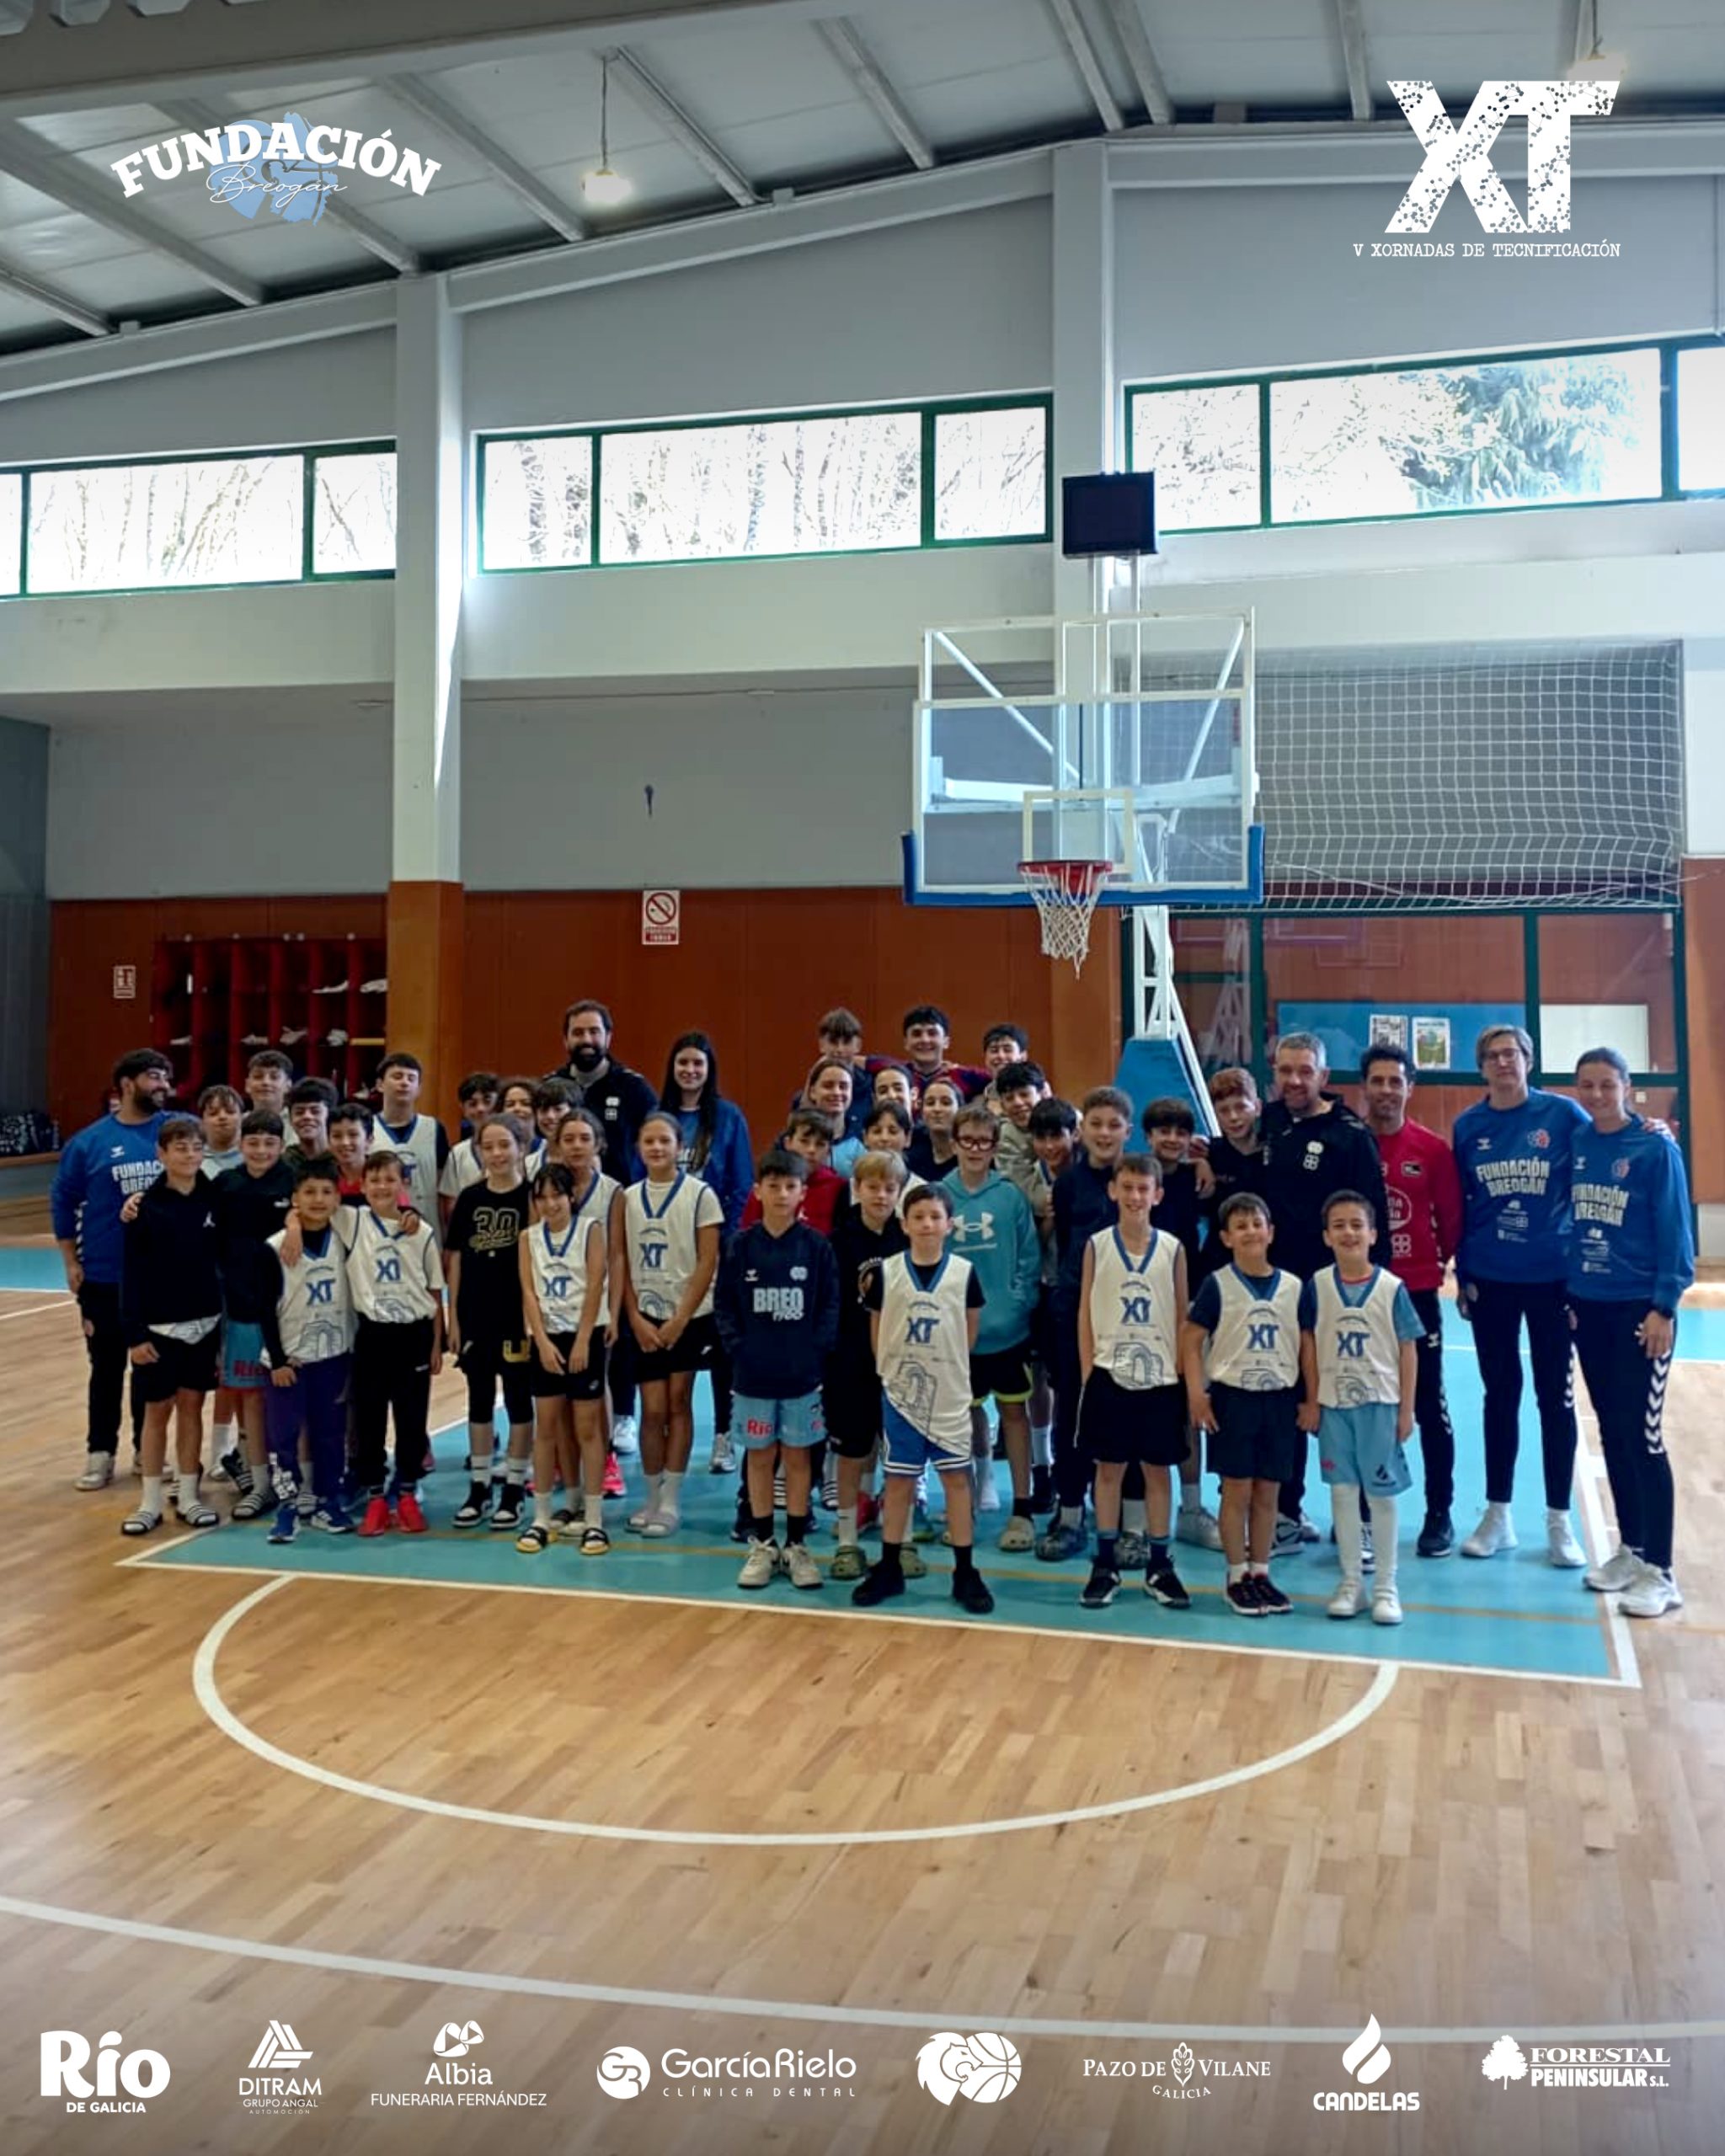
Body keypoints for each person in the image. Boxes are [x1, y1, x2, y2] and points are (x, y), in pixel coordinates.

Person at [1453, 1022, 1589, 1567]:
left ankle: (1559, 1520)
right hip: (1491, 1276)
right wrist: (1463, 1271)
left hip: (1554, 1277)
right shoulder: (1469, 1126)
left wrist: (1651, 1131)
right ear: (1482, 1067)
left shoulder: (1563, 1115)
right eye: (1494, 1055)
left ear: (1528, 1061)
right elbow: (1463, 1203)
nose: (1504, 1062)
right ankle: (1498, 1515)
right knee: (1500, 1394)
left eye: (1512, 1053)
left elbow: (1605, 1147)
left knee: (1555, 1398)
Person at [1568, 1046, 1694, 1619]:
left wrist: (1664, 1305)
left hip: (1640, 1311)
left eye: (1606, 1084)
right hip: (1589, 1307)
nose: (1597, 1095)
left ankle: (1662, 1573)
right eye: (1587, 1086)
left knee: (1644, 1439)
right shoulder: (1579, 1142)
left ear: (1626, 1086)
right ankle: (1633, 1549)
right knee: (1614, 1434)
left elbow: (1676, 1232)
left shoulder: (1655, 1148)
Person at [1258, 1032, 1390, 1555]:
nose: (1294, 1080)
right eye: (1285, 1070)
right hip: (1277, 1294)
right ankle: (1287, 1514)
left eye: (1305, 1071)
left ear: (1324, 1076)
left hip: (1336, 1295)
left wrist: (1368, 1296)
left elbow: (1373, 1221)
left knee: (1345, 1405)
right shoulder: (1268, 1122)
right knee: (1288, 1403)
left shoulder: (1350, 1136)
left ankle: (1358, 1520)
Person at [852, 1182, 995, 1615]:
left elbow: (970, 1330)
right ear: (904, 1224)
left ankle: (964, 1571)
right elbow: (877, 1329)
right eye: (919, 1217)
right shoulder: (887, 1273)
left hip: (949, 1393)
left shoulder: (964, 1273)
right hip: (901, 1393)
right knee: (899, 1480)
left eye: (935, 1217)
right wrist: (892, 1373)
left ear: (949, 1225)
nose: (927, 1224)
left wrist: (946, 1368)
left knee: (956, 1480)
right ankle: (890, 1566)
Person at [717, 1147, 841, 1591]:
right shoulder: (740, 1246)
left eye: (791, 1186)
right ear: (758, 1191)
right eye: (774, 1186)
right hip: (753, 1375)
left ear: (802, 1192)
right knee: (760, 1456)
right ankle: (764, 1543)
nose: (782, 1194)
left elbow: (829, 1306)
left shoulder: (817, 1247)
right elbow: (725, 1306)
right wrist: (739, 1349)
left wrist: (815, 1352)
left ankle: (796, 1545)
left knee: (798, 1456)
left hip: (802, 1375)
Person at [1299, 1191, 1423, 1625]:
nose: (1348, 1233)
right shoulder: (1318, 1285)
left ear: (1373, 1234)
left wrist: (1406, 1410)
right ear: (1326, 1236)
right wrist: (1313, 1398)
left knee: (1381, 1496)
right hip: (1335, 1405)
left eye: (1357, 1225)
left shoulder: (1391, 1288)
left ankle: (1386, 1586)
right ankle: (1351, 1583)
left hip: (1379, 1404)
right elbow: (1308, 1343)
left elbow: (1408, 1349)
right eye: (1339, 1226)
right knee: (1342, 1493)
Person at [1361, 1042, 1465, 1560]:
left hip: (1416, 1293)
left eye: (1395, 1081)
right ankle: (1363, 1515)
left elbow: (1452, 1220)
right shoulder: (1351, 1144)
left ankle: (1439, 1512)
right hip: (1359, 1295)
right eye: (1377, 1081)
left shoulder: (1432, 1151)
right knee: (1362, 1406)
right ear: (1364, 1087)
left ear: (1410, 1087)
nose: (1386, 1090)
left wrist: (1432, 1265)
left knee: (1428, 1405)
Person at [1076, 1151, 1192, 1612]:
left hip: (1160, 1377)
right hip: (1109, 1373)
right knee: (1108, 1471)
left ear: (1157, 1195)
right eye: (1127, 1187)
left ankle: (1160, 1565)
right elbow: (1085, 1309)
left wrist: (1181, 1375)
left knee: (1158, 1471)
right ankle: (1105, 1564)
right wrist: (1089, 1369)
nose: (1135, 1196)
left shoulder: (1173, 1248)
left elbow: (1182, 1315)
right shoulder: (1097, 1245)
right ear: (1113, 1191)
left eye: (1144, 1189)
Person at [53, 1047, 173, 1489]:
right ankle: (99, 1453)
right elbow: (63, 1202)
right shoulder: (88, 1143)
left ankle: (146, 1450)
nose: (163, 1086)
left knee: (151, 1368)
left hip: (159, 1277)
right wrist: (70, 1260)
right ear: (126, 1083)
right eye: (155, 1077)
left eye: (165, 1078)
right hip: (104, 1275)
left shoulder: (177, 1132)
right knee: (105, 1368)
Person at [1184, 1193, 1303, 1617]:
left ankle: (1261, 1572)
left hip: (1280, 1398)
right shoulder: (1218, 1285)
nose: (1250, 1231)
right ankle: (1236, 1574)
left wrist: (1309, 1398)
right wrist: (1197, 1393)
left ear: (1271, 1232)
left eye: (1257, 1224)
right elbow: (1191, 1339)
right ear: (1226, 1238)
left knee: (1269, 1491)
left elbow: (1307, 1344)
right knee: (1236, 1489)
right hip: (1233, 1398)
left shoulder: (1293, 1287)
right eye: (1240, 1226)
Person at [1040, 1086, 1134, 1562]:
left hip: (1130, 1317)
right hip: (1076, 1313)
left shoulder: (1138, 1179)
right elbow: (1064, 1247)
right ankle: (1071, 1512)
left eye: (1114, 1125)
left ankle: (1131, 1523)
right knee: (1071, 1415)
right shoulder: (1069, 1184)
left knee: (1129, 1414)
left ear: (1128, 1131)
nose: (1104, 1133)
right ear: (1082, 1130)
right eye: (1095, 1124)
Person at [118, 1115, 223, 1536]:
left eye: (197, 1147)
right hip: (158, 1330)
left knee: (192, 1407)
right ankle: (149, 1502)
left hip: (205, 1325)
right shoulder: (144, 1207)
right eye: (180, 1148)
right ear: (161, 1154)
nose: (190, 1155)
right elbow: (131, 1274)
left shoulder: (216, 1198)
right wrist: (135, 1333)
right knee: (156, 1411)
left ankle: (190, 1494)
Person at [621, 1110, 724, 1538]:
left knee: (678, 1403)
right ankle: (650, 1496)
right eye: (650, 1141)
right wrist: (634, 1317)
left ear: (680, 1148)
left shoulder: (701, 1195)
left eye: (665, 1140)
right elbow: (620, 1261)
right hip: (645, 1317)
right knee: (652, 1410)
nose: (657, 1147)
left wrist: (681, 1318)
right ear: (639, 1147)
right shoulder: (626, 1198)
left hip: (689, 1317)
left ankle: (671, 1500)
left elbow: (708, 1260)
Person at [944, 1105, 1040, 1548]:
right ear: (954, 1143)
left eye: (985, 1141)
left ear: (995, 1147)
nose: (976, 1149)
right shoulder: (939, 1194)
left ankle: (1022, 1508)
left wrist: (1017, 1305)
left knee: (1015, 1415)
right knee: (963, 1419)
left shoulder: (1010, 1195)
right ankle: (964, 1505)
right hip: (959, 1334)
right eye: (968, 1140)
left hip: (1007, 1330)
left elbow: (1028, 1257)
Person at [337, 1150, 445, 1536]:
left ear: (404, 1185)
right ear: (362, 1185)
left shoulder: (422, 1232)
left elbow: (435, 1290)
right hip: (372, 1334)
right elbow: (305, 1209)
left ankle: (408, 1491)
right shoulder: (352, 1221)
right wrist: (294, 1226)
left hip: (414, 1335)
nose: (382, 1186)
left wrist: (437, 1343)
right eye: (374, 1180)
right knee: (370, 1417)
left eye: (390, 1180)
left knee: (412, 1417)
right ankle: (376, 1497)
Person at [660, 1031, 753, 1476]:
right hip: (666, 1250)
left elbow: (740, 1183)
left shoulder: (729, 1117)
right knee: (673, 1343)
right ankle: (666, 1432)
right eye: (683, 1063)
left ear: (709, 1068)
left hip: (716, 1246)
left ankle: (723, 1435)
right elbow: (642, 1176)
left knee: (720, 1347)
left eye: (698, 1063)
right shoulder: (658, 1117)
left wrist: (719, 1239)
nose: (690, 1070)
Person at [445, 1115, 536, 1532]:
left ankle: (515, 1487)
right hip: (476, 1316)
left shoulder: (532, 1197)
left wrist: (534, 1320)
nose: (497, 1154)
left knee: (518, 1400)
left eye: (505, 1145)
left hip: (516, 1318)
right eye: (488, 1146)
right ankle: (479, 1487)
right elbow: (457, 1259)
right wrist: (454, 1318)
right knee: (479, 1400)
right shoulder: (469, 1198)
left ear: (521, 1148)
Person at [259, 1155, 357, 1540]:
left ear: (337, 1199)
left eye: (326, 1192)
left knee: (330, 1433)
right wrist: (278, 1360)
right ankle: (287, 1507)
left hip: (333, 1356)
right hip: (289, 1360)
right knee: (283, 1436)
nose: (318, 1199)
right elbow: (264, 1309)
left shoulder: (347, 1237)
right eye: (309, 1192)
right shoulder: (275, 1247)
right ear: (295, 1198)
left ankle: (328, 1501)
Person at [516, 1161, 611, 1556]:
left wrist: (584, 1339)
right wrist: (540, 1340)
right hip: (547, 1339)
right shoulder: (527, 1238)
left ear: (571, 1196)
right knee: (547, 1428)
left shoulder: (591, 1230)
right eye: (542, 1197)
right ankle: (542, 1516)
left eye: (557, 1195)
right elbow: (528, 1291)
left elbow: (595, 1284)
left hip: (583, 1336)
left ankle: (595, 1519)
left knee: (587, 1428)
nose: (550, 1204)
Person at [825, 1150, 911, 1581]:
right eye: (872, 1187)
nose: (881, 1195)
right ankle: (847, 1540)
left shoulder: (907, 1238)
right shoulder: (838, 1242)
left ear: (900, 1192)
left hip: (899, 1363)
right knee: (851, 1453)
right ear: (857, 1189)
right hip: (851, 1362)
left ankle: (903, 1538)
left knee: (901, 1454)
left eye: (889, 1188)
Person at [210, 1107, 296, 1520]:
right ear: (241, 1144)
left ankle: (293, 1473)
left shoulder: (292, 1182)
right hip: (242, 1306)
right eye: (253, 1142)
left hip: (288, 1306)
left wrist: (295, 1223)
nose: (261, 1150)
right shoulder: (226, 1183)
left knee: (287, 1393)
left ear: (281, 1146)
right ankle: (256, 1477)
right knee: (251, 1395)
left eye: (269, 1143)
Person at [546, 1000, 658, 1184]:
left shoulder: (634, 1089)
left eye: (594, 1032)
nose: (586, 1040)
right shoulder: (550, 1087)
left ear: (608, 1037)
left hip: (619, 1194)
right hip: (559, 1194)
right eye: (578, 1033)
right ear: (566, 1040)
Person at [1197, 1069, 1265, 1279]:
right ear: (1214, 1114)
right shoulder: (1208, 1155)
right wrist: (1197, 1162)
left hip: (1267, 1259)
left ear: (1257, 1107)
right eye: (1224, 1110)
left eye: (1241, 1107)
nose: (1233, 1117)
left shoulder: (1276, 1154)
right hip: (1218, 1263)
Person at [373, 1051, 450, 1235]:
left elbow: (443, 1188)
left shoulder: (434, 1128)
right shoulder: (367, 1129)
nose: (404, 1083)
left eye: (411, 1078)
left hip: (428, 1229)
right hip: (381, 1231)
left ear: (419, 1088)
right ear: (380, 1085)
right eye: (397, 1076)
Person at [438, 1072, 501, 1225]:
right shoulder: (458, 1153)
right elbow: (449, 1208)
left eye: (487, 1101)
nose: (481, 1109)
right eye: (473, 1104)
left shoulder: (516, 1148)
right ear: (463, 1109)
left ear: (499, 1103)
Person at [899, 1005, 990, 1105]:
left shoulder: (968, 1077)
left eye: (932, 1033)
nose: (925, 1040)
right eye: (917, 1034)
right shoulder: (895, 1077)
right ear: (906, 1043)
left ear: (946, 1042)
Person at [905, 1075, 963, 1182]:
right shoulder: (912, 1149)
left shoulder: (970, 1152)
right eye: (930, 1103)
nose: (937, 1109)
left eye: (946, 1103)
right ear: (922, 1112)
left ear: (960, 1110)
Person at [284, 1077, 338, 1165]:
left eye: (315, 1111)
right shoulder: (283, 1163)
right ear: (290, 1119)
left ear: (329, 1116)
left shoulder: (341, 1161)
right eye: (299, 1112)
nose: (307, 1117)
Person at [328, 1101, 373, 1201]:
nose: (345, 1143)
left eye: (353, 1135)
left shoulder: (384, 1179)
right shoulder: (323, 1180)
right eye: (337, 1136)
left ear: (369, 1140)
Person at [198, 1086, 243, 1177]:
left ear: (241, 1117)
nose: (222, 1117)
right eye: (213, 1113)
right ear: (202, 1121)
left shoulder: (256, 1157)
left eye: (230, 1112)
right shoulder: (193, 1161)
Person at [244, 1049, 294, 1118]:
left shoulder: (298, 1122)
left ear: (288, 1086)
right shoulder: (237, 1122)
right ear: (247, 1085)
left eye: (274, 1077)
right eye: (258, 1077)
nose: (266, 1082)